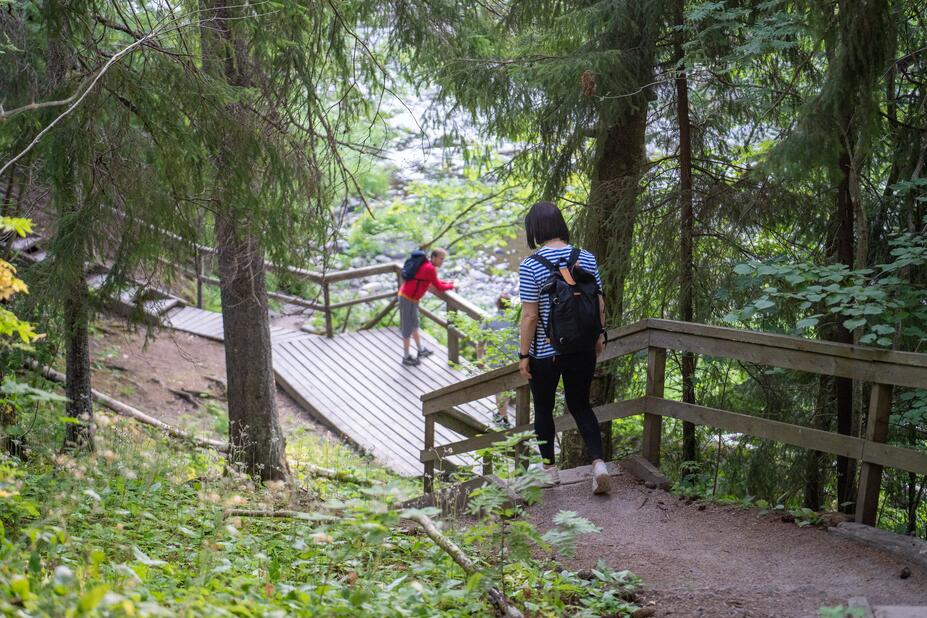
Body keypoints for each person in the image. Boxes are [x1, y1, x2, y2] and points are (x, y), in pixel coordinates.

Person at [517, 201, 610, 495]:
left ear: (534, 229)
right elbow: (599, 302)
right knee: (581, 405)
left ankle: (550, 472)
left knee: (543, 408)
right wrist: (599, 335)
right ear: (560, 225)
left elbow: (530, 315)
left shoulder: (530, 265)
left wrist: (523, 355)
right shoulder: (586, 257)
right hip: (582, 347)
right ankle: (599, 465)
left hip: (546, 352)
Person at [398, 247, 455, 366]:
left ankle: (420, 350)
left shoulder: (428, 266)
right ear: (433, 257)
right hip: (407, 299)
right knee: (407, 328)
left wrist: (449, 283)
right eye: (440, 258)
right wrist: (452, 286)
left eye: (443, 259)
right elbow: (439, 287)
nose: (442, 262)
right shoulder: (429, 268)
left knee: (414, 324)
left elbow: (435, 282)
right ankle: (406, 356)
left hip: (411, 299)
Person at [477, 293, 517, 428]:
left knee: (499, 389)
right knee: (508, 387)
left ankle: (503, 418)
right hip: (513, 359)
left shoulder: (490, 320)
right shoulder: (516, 320)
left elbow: (481, 342)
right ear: (510, 305)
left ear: (496, 305)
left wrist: (480, 359)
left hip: (495, 359)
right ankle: (502, 414)